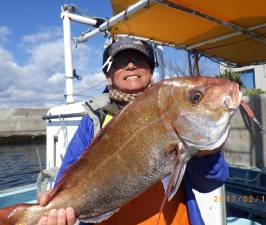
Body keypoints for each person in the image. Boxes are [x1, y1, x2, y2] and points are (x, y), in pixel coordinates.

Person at [37, 37, 229, 225]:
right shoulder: (93, 121)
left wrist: (207, 153)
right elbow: (67, 175)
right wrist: (56, 207)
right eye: (120, 62)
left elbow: (209, 184)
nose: (130, 66)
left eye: (139, 60)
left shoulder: (174, 110)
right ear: (108, 77)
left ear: (150, 72)